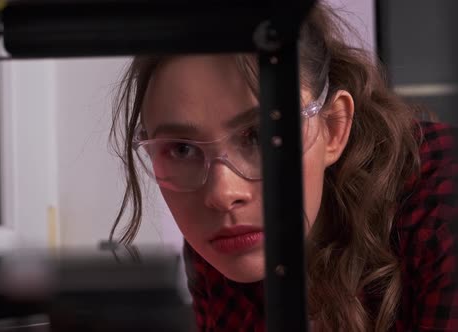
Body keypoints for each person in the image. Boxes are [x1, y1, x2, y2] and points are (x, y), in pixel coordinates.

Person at [109, 2, 458, 331]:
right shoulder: (226, 247)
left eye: (261, 135)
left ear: (334, 128)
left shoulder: (443, 203)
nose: (221, 193)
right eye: (182, 149)